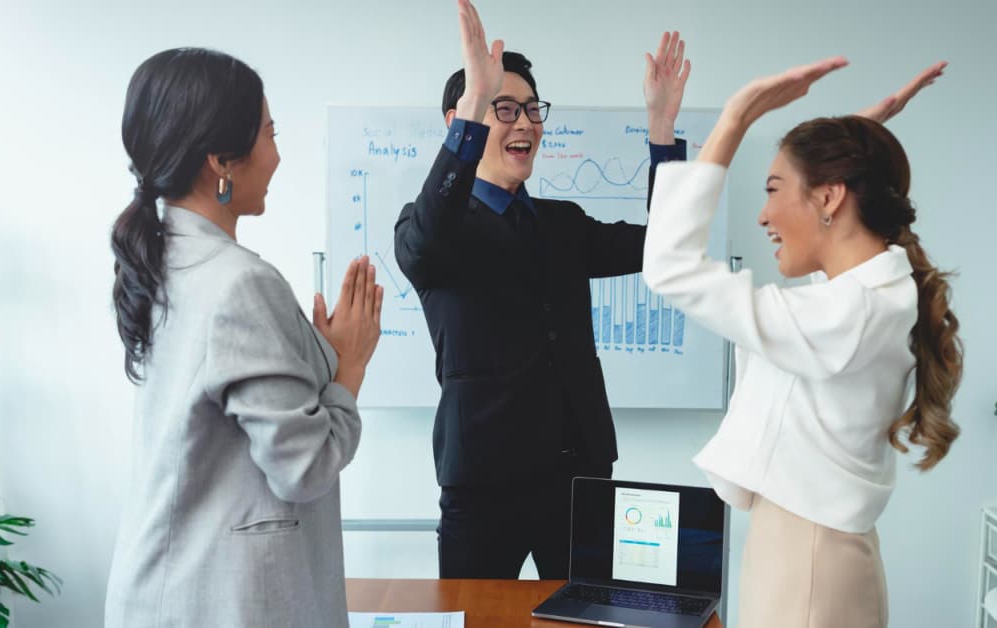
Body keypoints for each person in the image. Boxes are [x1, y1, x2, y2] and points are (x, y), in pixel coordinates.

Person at [642, 58, 961, 628]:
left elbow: (670, 266)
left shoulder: (849, 313)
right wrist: (860, 139)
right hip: (811, 556)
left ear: (830, 197)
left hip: (807, 569)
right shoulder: (866, 297)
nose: (763, 214)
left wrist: (737, 116)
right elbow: (838, 253)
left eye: (772, 190)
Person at [393, 0, 690, 579]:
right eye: (504, 108)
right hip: (482, 483)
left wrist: (661, 131)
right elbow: (428, 241)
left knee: (590, 619)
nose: (525, 122)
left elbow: (668, 249)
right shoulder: (428, 227)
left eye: (532, 109)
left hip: (580, 475)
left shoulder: (562, 222)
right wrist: (475, 107)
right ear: (462, 121)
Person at [104, 48, 381, 628]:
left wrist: (320, 360)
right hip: (222, 601)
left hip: (171, 591)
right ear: (221, 161)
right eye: (269, 133)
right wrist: (349, 369)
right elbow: (304, 468)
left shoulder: (167, 261)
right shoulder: (240, 284)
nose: (277, 154)